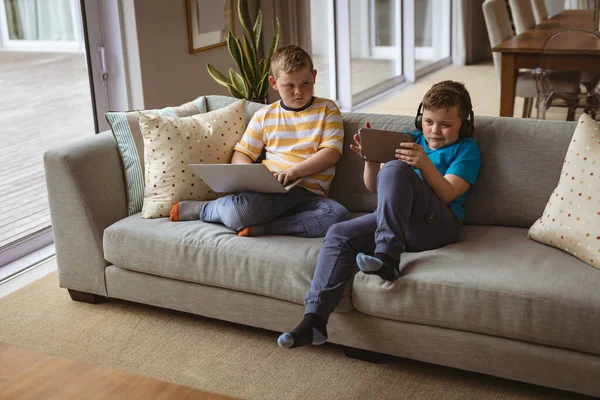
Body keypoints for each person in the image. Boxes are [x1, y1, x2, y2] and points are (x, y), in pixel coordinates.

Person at [278, 80, 481, 348]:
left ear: (464, 125)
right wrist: (372, 160)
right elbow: (376, 188)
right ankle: (314, 320)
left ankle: (387, 257)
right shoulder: (411, 139)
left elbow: (448, 194)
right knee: (339, 233)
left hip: (439, 225)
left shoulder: (466, 150)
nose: (434, 131)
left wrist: (423, 164)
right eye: (429, 121)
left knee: (396, 168)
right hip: (399, 223)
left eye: (445, 125)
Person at [169, 45, 350, 238]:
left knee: (338, 217)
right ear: (273, 82)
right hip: (274, 193)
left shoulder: (328, 110)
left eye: (305, 83)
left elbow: (330, 153)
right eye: (290, 86)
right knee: (239, 214)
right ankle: (206, 209)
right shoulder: (264, 116)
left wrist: (293, 172)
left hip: (311, 197)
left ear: (314, 76)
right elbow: (242, 154)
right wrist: (252, 177)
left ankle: (267, 228)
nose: (299, 91)